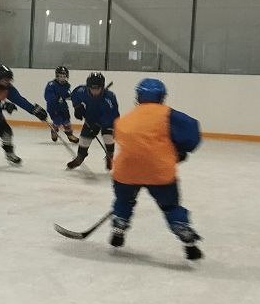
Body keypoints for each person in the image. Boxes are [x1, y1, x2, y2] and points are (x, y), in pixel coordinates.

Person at [109, 77, 203, 260]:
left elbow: (131, 144)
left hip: (126, 173)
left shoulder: (124, 120)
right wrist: (180, 151)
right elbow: (191, 132)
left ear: (138, 96)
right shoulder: (167, 114)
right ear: (161, 97)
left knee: (124, 201)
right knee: (170, 206)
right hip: (159, 173)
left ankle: (119, 224)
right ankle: (181, 228)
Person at [66, 72, 120, 172]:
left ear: (102, 87)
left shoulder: (110, 97)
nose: (94, 91)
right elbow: (74, 96)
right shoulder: (81, 90)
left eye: (97, 89)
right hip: (91, 119)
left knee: (108, 137)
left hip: (108, 121)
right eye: (92, 88)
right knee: (83, 139)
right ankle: (80, 157)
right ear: (88, 87)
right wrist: (77, 107)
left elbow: (113, 116)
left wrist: (98, 124)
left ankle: (110, 156)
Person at [44, 66, 79, 144]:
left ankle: (70, 135)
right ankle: (54, 131)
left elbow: (66, 95)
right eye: (60, 76)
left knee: (67, 120)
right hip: (53, 107)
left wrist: (72, 97)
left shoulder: (67, 85)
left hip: (63, 106)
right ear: (57, 76)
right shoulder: (51, 85)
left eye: (64, 76)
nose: (62, 78)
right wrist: (56, 98)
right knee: (58, 120)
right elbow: (47, 96)